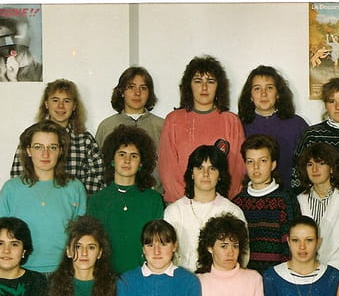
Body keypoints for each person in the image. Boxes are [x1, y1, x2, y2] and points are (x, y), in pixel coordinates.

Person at [0, 120, 87, 274]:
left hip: (63, 273)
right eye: (38, 147)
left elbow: (82, 237)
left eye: (52, 147)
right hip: (21, 272)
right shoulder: (11, 189)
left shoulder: (75, 187)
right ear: (28, 150)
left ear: (60, 151)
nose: (45, 154)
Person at [159, 55, 246, 203]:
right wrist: (188, 203)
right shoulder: (173, 120)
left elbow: (237, 170)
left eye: (210, 81)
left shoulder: (231, 121)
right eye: (198, 81)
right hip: (182, 205)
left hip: (221, 205)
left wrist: (217, 201)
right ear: (189, 85)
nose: (204, 87)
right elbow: (168, 171)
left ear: (219, 87)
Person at [87, 125, 164, 274]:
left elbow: (157, 245)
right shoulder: (96, 201)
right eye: (122, 154)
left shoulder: (153, 200)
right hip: (106, 278)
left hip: (143, 277)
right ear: (112, 160)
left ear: (141, 163)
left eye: (134, 156)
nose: (127, 160)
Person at [9, 79, 104, 195]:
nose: (61, 106)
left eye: (67, 101)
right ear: (46, 104)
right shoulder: (31, 137)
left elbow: (97, 183)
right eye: (55, 100)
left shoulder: (85, 141)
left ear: (74, 106)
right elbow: (18, 178)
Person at [163, 145, 247, 272]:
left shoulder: (233, 211)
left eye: (212, 168)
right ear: (192, 173)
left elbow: (243, 256)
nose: (205, 174)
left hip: (221, 281)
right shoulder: (174, 212)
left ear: (220, 175)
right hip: (182, 280)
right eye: (200, 168)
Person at [232, 134, 299, 272]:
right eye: (250, 161)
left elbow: (292, 245)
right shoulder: (237, 203)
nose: (256, 167)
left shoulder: (285, 200)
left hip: (278, 276)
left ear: (273, 164)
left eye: (262, 161)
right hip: (245, 277)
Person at [295, 143, 339, 272]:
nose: (314, 169)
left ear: (332, 168)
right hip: (306, 273)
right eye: (310, 164)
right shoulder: (298, 201)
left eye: (321, 163)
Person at [237, 65, 309, 188]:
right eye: (257, 88)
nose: (263, 94)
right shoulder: (239, 125)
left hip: (290, 193)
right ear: (250, 96)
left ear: (278, 94)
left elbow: (309, 165)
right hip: (252, 194)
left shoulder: (297, 124)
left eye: (269, 88)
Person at [95, 67, 165, 187]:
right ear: (122, 92)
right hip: (115, 194)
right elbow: (98, 167)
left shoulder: (162, 126)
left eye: (143, 88)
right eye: (131, 87)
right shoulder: (106, 126)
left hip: (154, 194)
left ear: (149, 93)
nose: (137, 93)